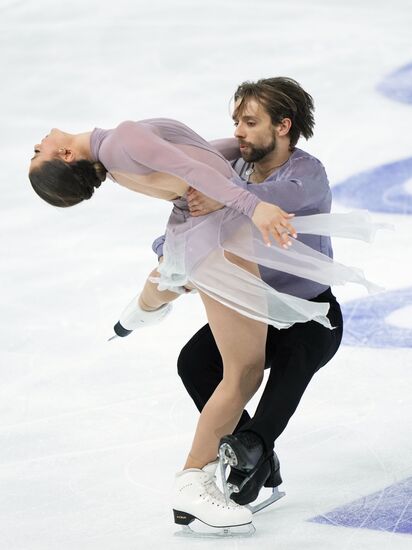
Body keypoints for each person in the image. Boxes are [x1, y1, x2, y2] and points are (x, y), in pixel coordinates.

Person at [28, 101, 378, 533]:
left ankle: (141, 311)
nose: (37, 144)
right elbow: (196, 173)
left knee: (176, 293)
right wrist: (254, 206)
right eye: (36, 152)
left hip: (204, 235)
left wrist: (251, 149)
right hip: (219, 239)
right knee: (244, 373)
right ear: (65, 156)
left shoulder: (114, 158)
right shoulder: (121, 138)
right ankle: (192, 483)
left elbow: (200, 158)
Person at [149, 77, 351, 511]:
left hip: (309, 315)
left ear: (283, 125)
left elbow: (265, 199)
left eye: (249, 121)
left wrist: (222, 197)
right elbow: (188, 216)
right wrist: (168, 251)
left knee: (295, 360)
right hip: (252, 312)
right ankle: (259, 457)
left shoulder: (306, 175)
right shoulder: (234, 171)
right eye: (236, 121)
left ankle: (254, 444)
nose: (238, 130)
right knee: (195, 363)